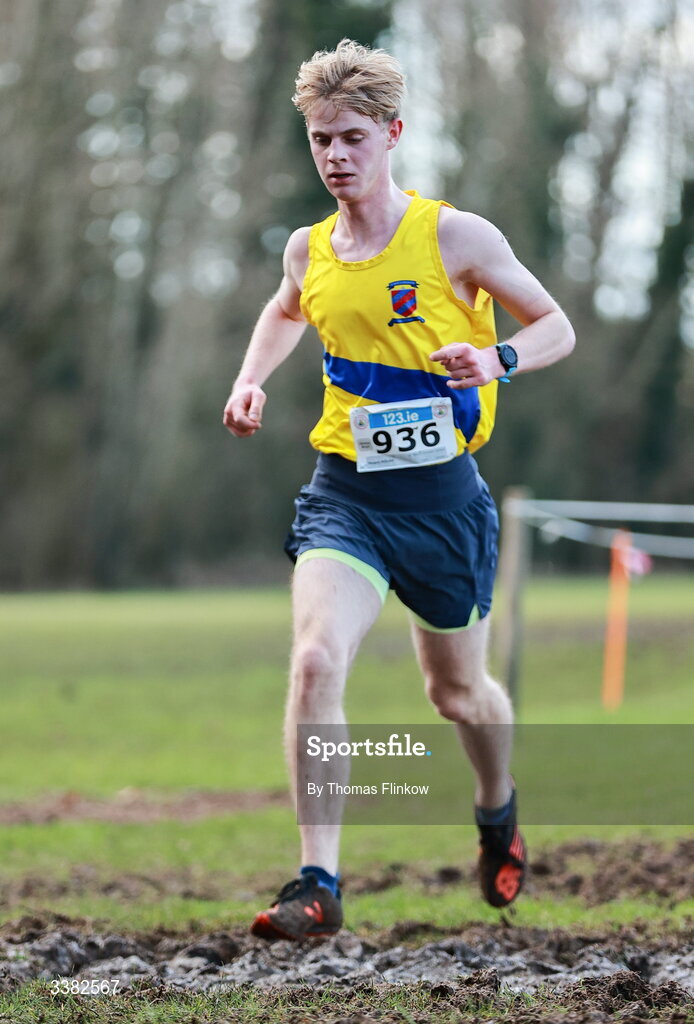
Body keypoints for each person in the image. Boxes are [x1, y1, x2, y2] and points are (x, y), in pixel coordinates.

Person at [223, 38, 575, 941]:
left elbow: (556, 328)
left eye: (350, 138)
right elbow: (284, 306)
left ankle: (497, 809)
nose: (334, 156)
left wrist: (494, 358)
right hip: (345, 493)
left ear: (392, 136)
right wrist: (251, 377)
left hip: (444, 505)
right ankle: (318, 882)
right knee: (313, 661)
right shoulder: (310, 249)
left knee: (459, 697)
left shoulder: (454, 235)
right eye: (319, 141)